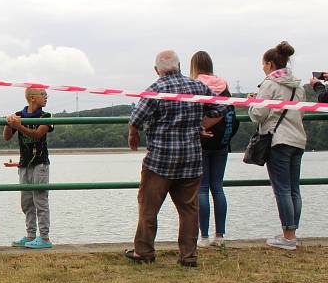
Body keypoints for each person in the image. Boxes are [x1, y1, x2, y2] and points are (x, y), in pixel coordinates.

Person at [125, 50, 223, 267]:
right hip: (191, 159)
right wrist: (199, 125)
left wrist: (133, 133)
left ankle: (144, 251)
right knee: (189, 210)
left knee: (148, 208)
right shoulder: (197, 87)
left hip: (160, 161)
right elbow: (220, 108)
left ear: (156, 70)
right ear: (179, 66)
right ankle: (189, 256)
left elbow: (136, 118)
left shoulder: (155, 89)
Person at [249, 41, 306, 250]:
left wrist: (251, 104)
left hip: (278, 140)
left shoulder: (270, 84)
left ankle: (288, 237)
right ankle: (292, 233)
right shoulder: (298, 86)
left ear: (270, 64)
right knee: (294, 189)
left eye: (263, 64)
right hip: (298, 139)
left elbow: (258, 114)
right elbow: (300, 112)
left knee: (281, 189)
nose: (263, 67)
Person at [189, 51, 238, 249]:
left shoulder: (196, 84)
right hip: (222, 142)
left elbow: (191, 112)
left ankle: (204, 236)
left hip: (201, 141)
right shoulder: (223, 84)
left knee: (201, 189)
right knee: (217, 188)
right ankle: (220, 236)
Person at [3, 87, 54, 249]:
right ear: (32, 98)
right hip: (24, 163)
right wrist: (9, 122)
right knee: (26, 201)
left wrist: (18, 126)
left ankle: (44, 238)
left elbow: (37, 134)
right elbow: (6, 137)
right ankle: (31, 235)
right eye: (43, 95)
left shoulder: (46, 116)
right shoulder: (19, 114)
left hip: (40, 163)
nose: (46, 97)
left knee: (40, 200)